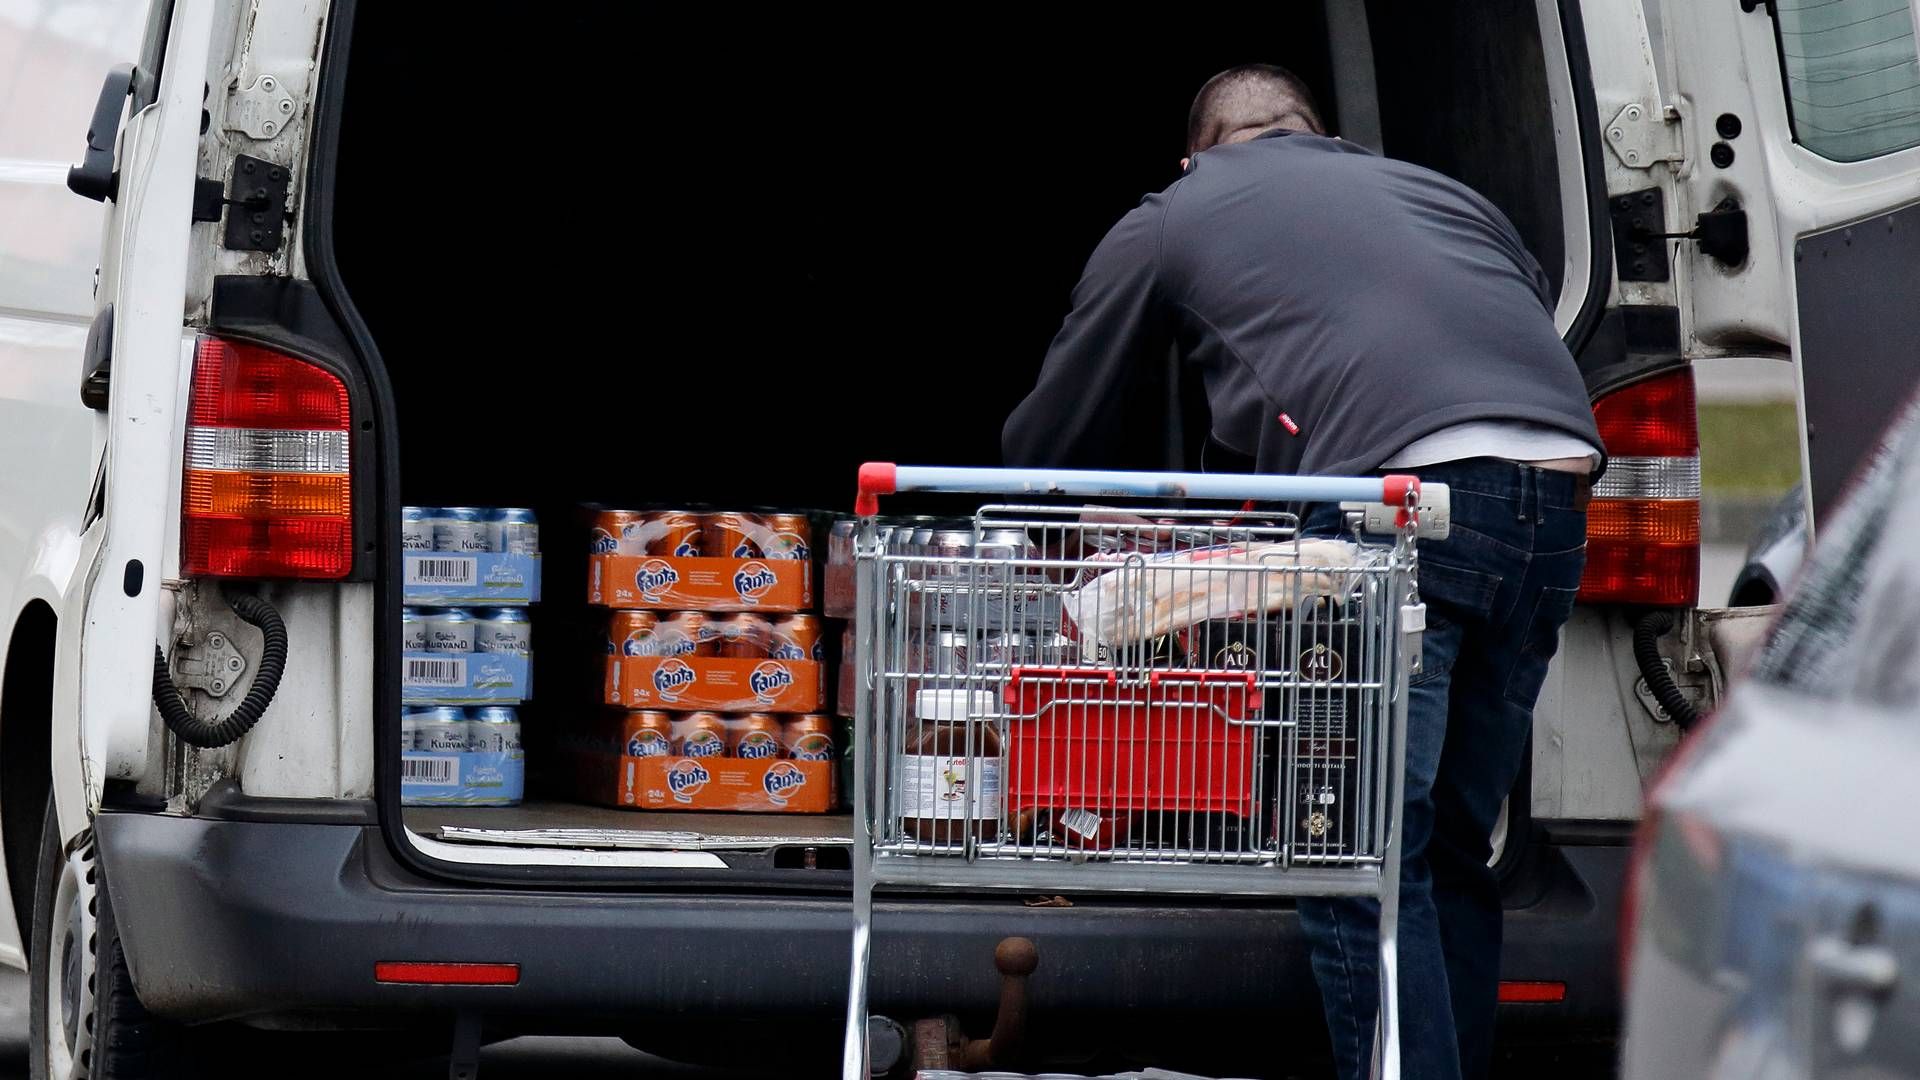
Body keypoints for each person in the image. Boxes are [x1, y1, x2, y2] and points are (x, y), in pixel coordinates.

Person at [1002, 64, 1601, 1080]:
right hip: (1553, 496)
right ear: (1320, 137)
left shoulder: (1178, 211)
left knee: (1353, 857)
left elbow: (1062, 416)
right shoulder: (1441, 194)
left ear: (1196, 156)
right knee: (1447, 850)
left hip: (1400, 507)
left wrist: (1024, 505)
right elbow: (1509, 309)